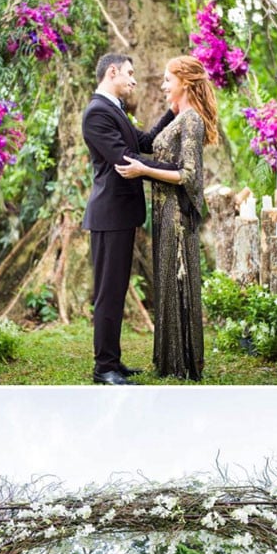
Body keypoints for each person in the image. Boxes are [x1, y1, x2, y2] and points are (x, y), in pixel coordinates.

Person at [115, 55, 219, 381]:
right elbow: (150, 142)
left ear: (184, 83)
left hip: (176, 214)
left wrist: (143, 170)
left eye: (167, 81)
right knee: (167, 284)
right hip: (163, 211)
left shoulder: (191, 121)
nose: (162, 86)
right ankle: (168, 360)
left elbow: (189, 175)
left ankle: (182, 362)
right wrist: (170, 109)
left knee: (178, 281)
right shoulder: (179, 116)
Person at [82, 52, 179, 386]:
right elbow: (126, 159)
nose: (135, 80)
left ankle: (114, 361)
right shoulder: (97, 113)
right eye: (130, 73)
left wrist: (174, 111)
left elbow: (146, 142)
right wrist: (179, 175)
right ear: (112, 72)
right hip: (108, 215)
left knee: (118, 290)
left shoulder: (115, 110)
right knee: (108, 293)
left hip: (121, 215)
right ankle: (103, 367)